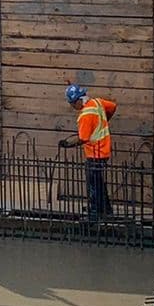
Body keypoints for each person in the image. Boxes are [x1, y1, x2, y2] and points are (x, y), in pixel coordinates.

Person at [58, 83, 117, 219]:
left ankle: (96, 212)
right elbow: (112, 107)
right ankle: (105, 208)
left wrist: (67, 144)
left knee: (94, 183)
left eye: (73, 104)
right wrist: (105, 120)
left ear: (78, 100)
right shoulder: (97, 103)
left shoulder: (85, 115)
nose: (73, 107)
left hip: (95, 153)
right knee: (99, 181)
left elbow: (83, 138)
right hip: (104, 149)